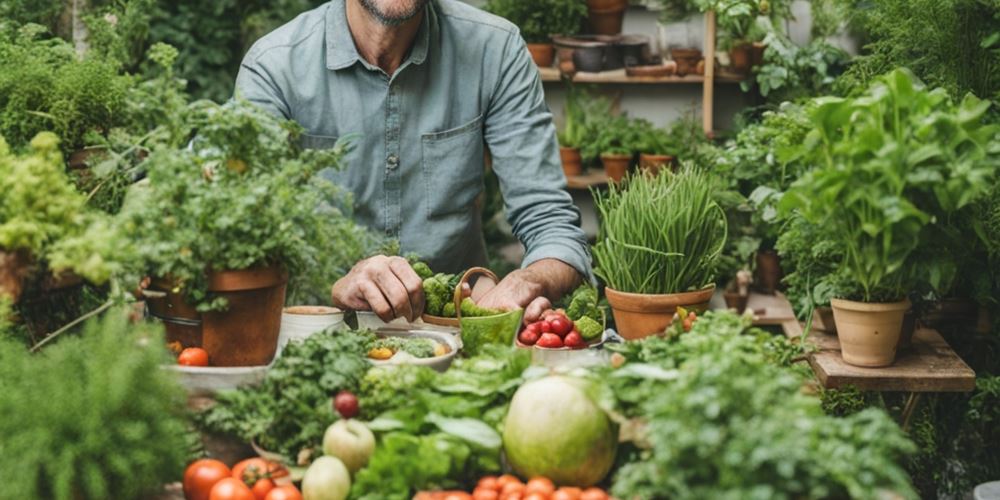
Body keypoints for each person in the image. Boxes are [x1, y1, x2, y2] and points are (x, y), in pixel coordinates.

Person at [236, 0, 591, 324]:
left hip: (454, 334)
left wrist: (528, 280)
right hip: (318, 333)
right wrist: (331, 284)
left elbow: (551, 223)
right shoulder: (276, 65)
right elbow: (233, 228)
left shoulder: (495, 50)